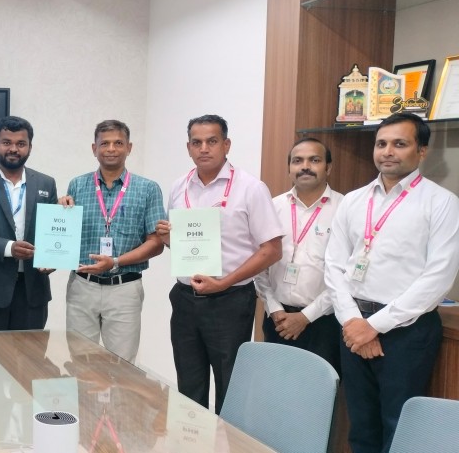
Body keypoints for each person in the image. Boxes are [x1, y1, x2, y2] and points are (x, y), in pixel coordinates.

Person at [325, 113, 459, 453]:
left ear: (422, 151)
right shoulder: (354, 200)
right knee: (360, 425)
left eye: (400, 144)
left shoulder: (442, 202)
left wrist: (374, 326)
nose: (387, 151)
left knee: (400, 427)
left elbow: (438, 277)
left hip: (406, 331)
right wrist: (353, 321)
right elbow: (334, 265)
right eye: (381, 143)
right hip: (352, 324)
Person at [156, 114, 283, 412]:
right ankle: (191, 438)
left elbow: (272, 250)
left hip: (230, 300)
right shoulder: (178, 187)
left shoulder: (251, 188)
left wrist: (223, 282)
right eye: (196, 142)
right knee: (189, 385)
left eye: (212, 141)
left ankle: (226, 439)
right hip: (185, 298)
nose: (204, 148)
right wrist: (168, 238)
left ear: (226, 145)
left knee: (230, 387)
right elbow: (184, 244)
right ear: (188, 147)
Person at [58, 120, 165, 362]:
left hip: (124, 288)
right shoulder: (77, 185)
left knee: (122, 365)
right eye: (104, 143)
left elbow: (156, 243)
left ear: (129, 147)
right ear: (94, 148)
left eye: (118, 143)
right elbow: (65, 234)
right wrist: (59, 212)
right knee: (80, 361)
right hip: (82, 286)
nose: (111, 149)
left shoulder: (148, 189)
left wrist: (115, 262)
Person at [254, 138, 343, 372]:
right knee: (276, 387)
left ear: (328, 167)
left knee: (318, 390)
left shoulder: (345, 209)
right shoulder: (273, 207)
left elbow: (345, 275)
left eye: (314, 160)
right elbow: (259, 263)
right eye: (297, 161)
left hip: (324, 323)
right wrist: (274, 308)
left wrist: (305, 317)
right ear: (289, 168)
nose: (305, 166)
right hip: (277, 320)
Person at [0, 116, 58, 331]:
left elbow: (52, 232)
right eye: (6, 142)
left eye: (21, 143)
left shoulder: (46, 183)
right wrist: (9, 248)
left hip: (33, 290)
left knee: (31, 352)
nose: (13, 149)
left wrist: (52, 258)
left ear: (30, 147)